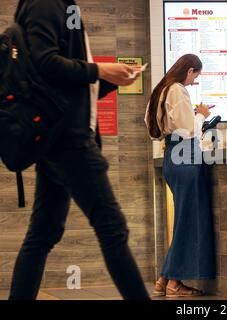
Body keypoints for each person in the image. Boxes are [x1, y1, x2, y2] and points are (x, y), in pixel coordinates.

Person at [9, 0, 150, 300]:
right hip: (69, 140)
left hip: (58, 137)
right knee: (112, 229)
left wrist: (108, 77)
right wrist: (99, 69)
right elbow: (45, 62)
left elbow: (67, 81)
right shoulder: (46, 2)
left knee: (42, 234)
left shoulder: (61, 5)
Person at [144, 54, 216, 298]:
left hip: (172, 155)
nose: (195, 81)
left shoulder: (161, 90)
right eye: (196, 75)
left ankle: (165, 279)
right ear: (189, 70)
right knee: (189, 221)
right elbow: (188, 130)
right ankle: (175, 282)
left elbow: (152, 126)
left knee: (184, 219)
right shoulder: (177, 89)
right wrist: (201, 114)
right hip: (186, 155)